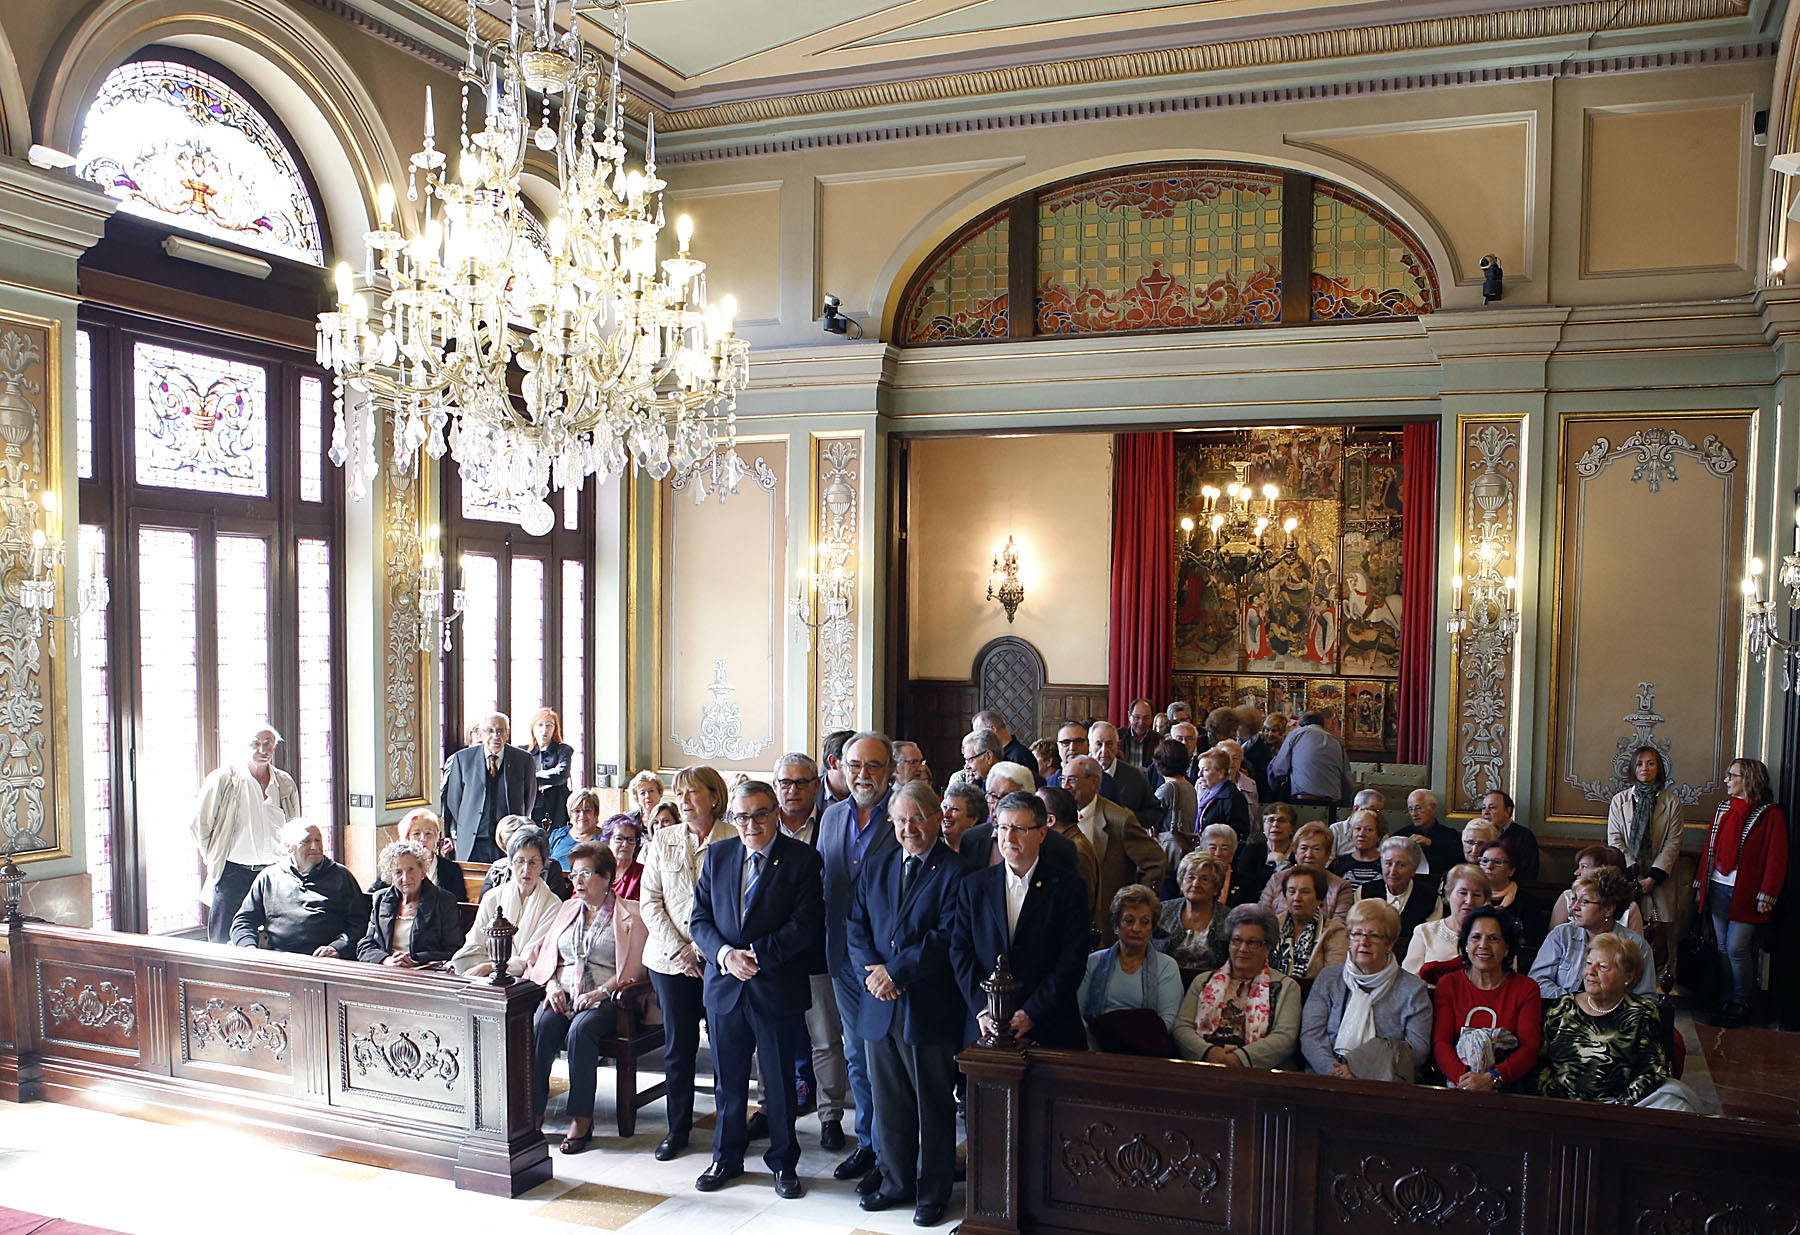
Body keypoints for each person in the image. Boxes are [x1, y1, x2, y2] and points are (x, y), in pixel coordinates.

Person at [688, 781, 824, 1199]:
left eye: (760, 814)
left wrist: (757, 955)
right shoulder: (718, 855)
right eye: (742, 816)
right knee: (728, 1083)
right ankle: (726, 1157)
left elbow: (805, 924)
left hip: (775, 987)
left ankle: (784, 1163)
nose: (751, 824)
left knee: (779, 1085)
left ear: (776, 813)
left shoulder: (802, 859)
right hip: (725, 987)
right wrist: (726, 955)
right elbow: (700, 919)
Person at [845, 781, 967, 1227]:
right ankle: (896, 1181)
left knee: (932, 1106)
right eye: (900, 820)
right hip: (879, 1005)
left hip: (927, 1006)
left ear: (938, 818)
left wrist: (895, 974)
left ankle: (933, 1192)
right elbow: (855, 923)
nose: (908, 829)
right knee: (889, 1102)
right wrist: (874, 973)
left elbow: (947, 937)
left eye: (917, 819)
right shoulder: (878, 865)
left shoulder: (957, 871)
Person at [525, 841, 650, 1153]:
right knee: (541, 1026)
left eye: (585, 874)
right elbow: (547, 957)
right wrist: (552, 986)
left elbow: (636, 969)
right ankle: (533, 1112)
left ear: (606, 877)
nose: (577, 881)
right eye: (574, 875)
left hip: (610, 998)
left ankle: (582, 1118)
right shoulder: (568, 909)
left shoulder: (630, 914)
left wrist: (600, 992)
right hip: (564, 991)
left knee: (581, 1031)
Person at [640, 764, 734, 1161]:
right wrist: (680, 951)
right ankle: (677, 1129)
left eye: (692, 792)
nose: (684, 800)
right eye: (679, 793)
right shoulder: (663, 839)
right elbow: (650, 901)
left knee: (725, 1048)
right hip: (669, 961)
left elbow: (737, 903)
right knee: (679, 1048)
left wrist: (701, 949)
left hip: (717, 961)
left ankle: (729, 1132)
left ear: (714, 797)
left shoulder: (733, 837)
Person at [819, 732, 897, 1186]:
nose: (863, 774)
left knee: (885, 1058)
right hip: (841, 957)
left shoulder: (902, 814)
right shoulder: (831, 816)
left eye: (873, 765)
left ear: (890, 770)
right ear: (841, 768)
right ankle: (868, 1144)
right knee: (855, 1054)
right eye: (855, 765)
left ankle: (893, 1152)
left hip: (886, 962)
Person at [952, 791, 1089, 1050]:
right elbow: (960, 951)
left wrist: (1031, 1013)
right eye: (1003, 827)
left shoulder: (1068, 888)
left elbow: (1072, 959)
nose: (1009, 837)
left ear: (1042, 833)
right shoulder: (974, 886)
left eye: (1019, 829)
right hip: (985, 1027)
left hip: (1049, 1026)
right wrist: (984, 1009)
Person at [772, 751, 849, 1152]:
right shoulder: (761, 825)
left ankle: (830, 1116)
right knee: (773, 1039)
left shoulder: (832, 823)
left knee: (825, 1039)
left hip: (818, 948)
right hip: (772, 953)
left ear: (816, 785)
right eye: (785, 782)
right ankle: (772, 1109)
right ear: (775, 787)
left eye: (801, 782)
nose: (793, 790)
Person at [1534, 933, 1699, 1111]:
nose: (1590, 972)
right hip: (1562, 1105)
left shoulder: (1642, 1013)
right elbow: (1541, 1062)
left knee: (1677, 1105)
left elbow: (1651, 1073)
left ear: (1628, 977)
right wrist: (1555, 1104)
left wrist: (1615, 1111)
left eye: (1602, 967)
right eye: (1588, 963)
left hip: (1621, 1107)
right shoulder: (1564, 1006)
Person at [191, 723, 301, 943]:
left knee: (278, 936)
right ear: (244, 746)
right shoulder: (224, 779)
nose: (262, 749)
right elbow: (199, 825)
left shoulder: (284, 782)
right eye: (255, 743)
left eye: (268, 743)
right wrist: (213, 856)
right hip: (233, 872)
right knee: (223, 938)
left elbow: (294, 825)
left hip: (274, 873)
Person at [1698, 756, 1787, 1028]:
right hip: (1718, 886)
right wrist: (1701, 885)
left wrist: (1767, 894)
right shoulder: (1724, 808)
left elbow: (1776, 857)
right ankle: (1725, 1001)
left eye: (1732, 775)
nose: (1727, 780)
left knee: (1737, 948)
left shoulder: (1769, 814)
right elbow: (1710, 848)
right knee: (1722, 948)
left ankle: (1741, 1002)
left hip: (1747, 892)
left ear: (1749, 779)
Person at [1299, 899, 1432, 1080]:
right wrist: (1333, 1071)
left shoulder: (1413, 989)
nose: (1363, 942)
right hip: (1325, 1076)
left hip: (1386, 1083)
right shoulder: (1328, 978)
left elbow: (1417, 1050)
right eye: (1357, 934)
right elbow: (1311, 1035)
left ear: (1390, 943)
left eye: (1374, 935)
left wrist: (1359, 1069)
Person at [1172, 904, 1302, 1069]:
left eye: (1252, 942)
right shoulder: (1203, 981)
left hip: (1258, 1072)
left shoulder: (1287, 987)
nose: (1242, 949)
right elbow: (1182, 1027)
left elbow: (1285, 1038)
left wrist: (1240, 1058)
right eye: (1237, 940)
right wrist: (1210, 1053)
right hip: (1204, 1065)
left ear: (1267, 948)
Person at [1058, 754, 1166, 944]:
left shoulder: (1119, 820)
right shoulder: (1057, 816)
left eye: (1072, 780)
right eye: (1063, 779)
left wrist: (1138, 903)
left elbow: (1155, 860)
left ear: (1094, 781)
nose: (1065, 786)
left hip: (1104, 922)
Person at [1432, 907, 1541, 1092]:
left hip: (1508, 1087)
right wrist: (1466, 1080)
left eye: (1494, 938)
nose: (1483, 945)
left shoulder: (1526, 988)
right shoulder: (1449, 984)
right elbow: (1441, 1043)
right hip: (1457, 1084)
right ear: (1466, 944)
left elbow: (1529, 1049)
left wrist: (1492, 1078)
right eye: (1476, 937)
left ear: (1507, 947)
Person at [230, 818, 367, 958]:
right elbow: (243, 921)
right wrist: (249, 948)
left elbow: (360, 924)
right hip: (277, 957)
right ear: (288, 846)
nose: (314, 846)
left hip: (323, 959)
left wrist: (337, 947)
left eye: (318, 840)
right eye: (306, 841)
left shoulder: (341, 876)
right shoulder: (269, 878)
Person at [1078, 885, 1185, 1046]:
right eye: (1129, 921)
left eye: (1145, 922)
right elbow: (1077, 1011)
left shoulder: (1167, 966)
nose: (1137, 928)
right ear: (1116, 926)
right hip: (1095, 1045)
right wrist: (1093, 1044)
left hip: (1145, 1048)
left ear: (1152, 928)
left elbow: (1167, 1021)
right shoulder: (1093, 962)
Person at [451, 826, 562, 977]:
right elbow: (474, 944)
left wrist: (491, 967)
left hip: (524, 979)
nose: (526, 869)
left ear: (543, 864)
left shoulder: (553, 906)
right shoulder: (492, 897)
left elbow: (531, 958)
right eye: (520, 861)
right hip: (483, 975)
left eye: (533, 862)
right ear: (510, 863)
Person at [1532, 868, 1655, 999]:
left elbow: (1645, 997)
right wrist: (1574, 1002)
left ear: (1608, 909)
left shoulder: (1635, 945)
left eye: (1584, 901)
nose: (1574, 907)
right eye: (1575, 899)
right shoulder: (1561, 935)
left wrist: (1603, 1007)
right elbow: (1538, 981)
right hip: (1564, 1009)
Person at [1606, 746, 1684, 935]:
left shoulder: (1671, 802)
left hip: (1659, 881)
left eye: (1650, 763)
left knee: (1657, 935)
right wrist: (1635, 874)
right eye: (1639, 764)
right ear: (1633, 768)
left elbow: (1673, 842)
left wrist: (1652, 878)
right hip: (1627, 878)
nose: (1645, 768)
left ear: (1659, 768)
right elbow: (1615, 839)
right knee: (1625, 931)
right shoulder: (1619, 800)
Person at [442, 713, 537, 861]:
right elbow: (454, 801)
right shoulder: (462, 759)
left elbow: (528, 798)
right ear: (481, 733)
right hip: (473, 841)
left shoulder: (523, 759)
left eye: (500, 731)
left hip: (508, 839)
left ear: (507, 734)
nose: (495, 736)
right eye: (490, 731)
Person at [357, 840, 467, 965]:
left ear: (422, 871)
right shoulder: (380, 899)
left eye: (411, 870)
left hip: (425, 970)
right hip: (388, 969)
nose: (405, 878)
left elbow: (454, 950)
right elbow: (365, 946)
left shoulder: (444, 901)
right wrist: (386, 960)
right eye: (398, 872)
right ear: (391, 876)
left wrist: (415, 960)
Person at [1259, 822, 1356, 922]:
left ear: (1327, 854)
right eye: (1304, 848)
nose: (1309, 855)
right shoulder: (1277, 879)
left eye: (1316, 849)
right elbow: (1262, 917)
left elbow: (1340, 925)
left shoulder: (1341, 887)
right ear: (1295, 852)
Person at [1403, 864, 1489, 975]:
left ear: (1485, 900)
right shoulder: (1425, 932)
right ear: (1448, 895)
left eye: (1477, 895)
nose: (1469, 901)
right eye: (1463, 893)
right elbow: (1409, 978)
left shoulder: (1493, 935)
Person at [1361, 835, 1442, 952]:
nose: (1393, 871)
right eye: (1388, 863)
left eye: (1401, 865)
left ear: (1414, 869)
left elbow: (1430, 942)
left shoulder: (1431, 900)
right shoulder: (1365, 893)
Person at [368, 807, 465, 901]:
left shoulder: (452, 870)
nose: (423, 839)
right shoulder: (395, 866)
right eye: (416, 834)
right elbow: (370, 898)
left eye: (428, 833)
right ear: (407, 839)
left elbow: (460, 905)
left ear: (436, 837)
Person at [1268, 867, 1348, 980]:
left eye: (1305, 892)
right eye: (1291, 891)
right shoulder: (1272, 925)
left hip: (1314, 990)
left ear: (1319, 898)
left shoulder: (1334, 931)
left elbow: (1333, 979)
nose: (1297, 898)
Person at [1267, 710, 1354, 813]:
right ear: (1323, 724)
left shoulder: (1295, 735)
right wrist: (1345, 804)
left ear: (1300, 724)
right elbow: (1347, 780)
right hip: (1332, 804)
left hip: (1303, 802)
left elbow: (1279, 770)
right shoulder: (1336, 741)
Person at [1156, 851, 1230, 971]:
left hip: (1212, 980)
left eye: (1205, 879)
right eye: (1191, 877)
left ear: (1216, 888)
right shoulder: (1161, 911)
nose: (1196, 884)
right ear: (1181, 883)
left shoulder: (1229, 918)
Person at [1549, 846, 1646, 934]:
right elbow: (1554, 938)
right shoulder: (1567, 896)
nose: (1577, 872)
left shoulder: (1631, 908)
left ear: (1603, 871)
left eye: (1584, 867)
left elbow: (1636, 945)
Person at [1090, 721, 1164, 834]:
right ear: (1090, 747)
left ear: (1117, 746)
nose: (1104, 750)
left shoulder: (1134, 776)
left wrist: (1130, 817)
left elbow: (1155, 813)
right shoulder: (1079, 774)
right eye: (1099, 744)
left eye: (1109, 744)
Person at [1392, 789, 1459, 891]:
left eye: (1418, 808)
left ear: (1433, 808)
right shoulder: (1401, 835)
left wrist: (1431, 843)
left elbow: (1456, 860)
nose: (1414, 814)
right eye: (1410, 809)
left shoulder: (1450, 834)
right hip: (1407, 885)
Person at [1232, 804, 1297, 907]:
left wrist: (1282, 862)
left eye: (1282, 820)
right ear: (1263, 826)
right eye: (1270, 820)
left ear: (1292, 827)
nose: (1275, 824)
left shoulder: (1299, 853)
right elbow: (1245, 891)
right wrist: (1268, 866)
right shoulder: (1251, 851)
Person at [1476, 841, 1540, 946]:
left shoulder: (1528, 902)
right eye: (1485, 861)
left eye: (1497, 862)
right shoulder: (1472, 896)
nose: (1489, 866)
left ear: (1511, 870)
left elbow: (1534, 940)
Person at [525, 708, 574, 831]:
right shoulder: (523, 752)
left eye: (549, 725)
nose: (544, 730)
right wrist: (546, 779)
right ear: (533, 728)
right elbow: (518, 778)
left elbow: (561, 774)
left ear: (555, 729)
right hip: (532, 807)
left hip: (557, 807)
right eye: (540, 725)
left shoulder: (563, 750)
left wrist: (533, 778)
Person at [1481, 790, 1540, 883]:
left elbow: (1528, 874)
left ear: (1508, 811)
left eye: (1492, 807)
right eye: (1483, 808)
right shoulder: (1477, 833)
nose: (1486, 812)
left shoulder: (1524, 836)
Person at [1195, 748, 1251, 842]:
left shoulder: (1232, 798)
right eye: (1199, 769)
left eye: (1205, 770)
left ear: (1221, 773)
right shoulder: (1209, 794)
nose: (1199, 774)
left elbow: (1237, 835)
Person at [1329, 808, 1385, 894]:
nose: (1361, 834)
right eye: (1358, 829)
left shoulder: (1386, 864)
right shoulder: (1338, 864)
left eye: (1369, 829)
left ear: (1379, 836)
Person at [1152, 739, 1197, 840]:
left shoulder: (1167, 789)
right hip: (1185, 842)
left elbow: (1151, 817)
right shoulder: (1190, 787)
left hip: (1167, 843)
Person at [1212, 738, 1262, 827]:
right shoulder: (1206, 783)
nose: (1231, 762)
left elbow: (1254, 817)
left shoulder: (1250, 784)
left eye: (1235, 758)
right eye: (1227, 758)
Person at [549, 789, 604, 866]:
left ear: (596, 813)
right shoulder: (557, 835)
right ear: (570, 815)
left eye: (587, 810)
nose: (582, 815)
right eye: (577, 811)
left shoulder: (604, 838)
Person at [945, 727, 1002, 795]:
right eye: (966, 761)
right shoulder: (968, 779)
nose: (966, 767)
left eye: (970, 760)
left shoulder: (1005, 785)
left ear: (988, 757)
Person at [1329, 787, 1383, 858]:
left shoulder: (1381, 831)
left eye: (1379, 811)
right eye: (1373, 810)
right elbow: (1328, 859)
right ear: (1356, 809)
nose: (1376, 815)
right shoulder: (1336, 829)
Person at [602, 813, 646, 900]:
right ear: (608, 841)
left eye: (631, 840)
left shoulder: (644, 874)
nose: (625, 844)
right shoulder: (597, 871)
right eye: (619, 838)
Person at [940, 782, 984, 853]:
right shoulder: (930, 849)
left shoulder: (983, 853)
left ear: (973, 819)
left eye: (955, 809)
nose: (946, 815)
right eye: (945, 807)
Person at [1119, 697, 1160, 768]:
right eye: (1137, 717)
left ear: (1152, 718)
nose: (1141, 722)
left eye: (1146, 718)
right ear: (1129, 716)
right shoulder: (1117, 736)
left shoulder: (1159, 740)